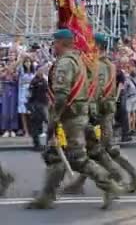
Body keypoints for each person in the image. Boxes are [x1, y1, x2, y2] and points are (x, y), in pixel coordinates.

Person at [27, 29, 125, 210]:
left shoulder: (65, 63)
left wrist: (54, 119)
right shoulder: (79, 60)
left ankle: (109, 184)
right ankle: (46, 196)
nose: (52, 46)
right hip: (79, 114)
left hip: (70, 117)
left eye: (54, 43)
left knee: (78, 158)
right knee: (55, 155)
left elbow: (62, 95)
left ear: (61, 43)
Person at [63, 33, 136, 195]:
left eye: (91, 44)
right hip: (105, 112)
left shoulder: (100, 65)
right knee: (94, 150)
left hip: (101, 112)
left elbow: (97, 90)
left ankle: (130, 177)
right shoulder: (107, 63)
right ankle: (79, 184)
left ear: (98, 46)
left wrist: (91, 110)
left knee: (102, 150)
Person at [27, 64, 49, 151]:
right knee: (35, 125)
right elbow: (29, 94)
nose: (42, 71)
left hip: (43, 104)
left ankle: (42, 144)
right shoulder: (34, 81)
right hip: (36, 104)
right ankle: (36, 144)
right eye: (40, 69)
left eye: (42, 69)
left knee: (42, 125)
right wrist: (31, 106)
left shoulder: (44, 80)